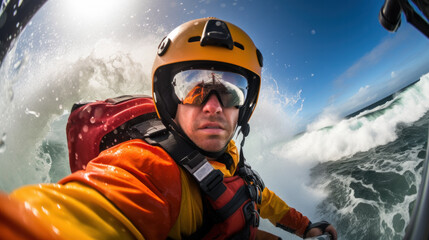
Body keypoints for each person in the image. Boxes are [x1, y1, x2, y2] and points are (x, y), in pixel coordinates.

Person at [0, 17, 337, 240]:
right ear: (170, 100)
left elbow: (259, 195)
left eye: (231, 91)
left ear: (243, 108)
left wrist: (304, 227)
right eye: (194, 88)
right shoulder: (150, 168)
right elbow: (79, 214)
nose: (213, 106)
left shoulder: (231, 155)